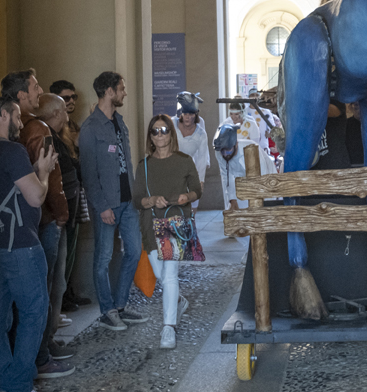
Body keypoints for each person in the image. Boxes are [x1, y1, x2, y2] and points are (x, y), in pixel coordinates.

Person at [0, 96, 61, 392]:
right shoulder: (11, 152)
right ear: (2, 114)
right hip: (20, 246)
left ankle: (3, 386)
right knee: (34, 312)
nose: (22, 123)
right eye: (17, 116)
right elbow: (36, 196)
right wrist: (44, 170)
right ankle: (19, 389)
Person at [0, 70, 72, 379]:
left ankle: (42, 349)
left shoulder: (19, 132)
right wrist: (61, 214)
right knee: (43, 292)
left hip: (25, 223)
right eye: (35, 87)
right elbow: (49, 178)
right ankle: (39, 356)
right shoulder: (37, 129)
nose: (40, 91)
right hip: (43, 221)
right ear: (21, 97)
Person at [78, 71, 146, 331]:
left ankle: (120, 304)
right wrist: (101, 206)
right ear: (109, 91)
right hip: (106, 203)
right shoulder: (90, 128)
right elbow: (88, 173)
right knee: (104, 258)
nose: (124, 93)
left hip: (127, 201)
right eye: (121, 88)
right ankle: (107, 310)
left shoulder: (120, 122)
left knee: (133, 251)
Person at [133, 115, 201, 349]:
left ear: (172, 133)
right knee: (161, 276)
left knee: (170, 276)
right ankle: (178, 301)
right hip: (151, 225)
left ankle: (168, 328)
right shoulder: (144, 165)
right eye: (155, 131)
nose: (160, 134)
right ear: (150, 137)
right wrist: (150, 200)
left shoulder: (184, 160)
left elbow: (197, 190)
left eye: (164, 130)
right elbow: (136, 199)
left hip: (175, 224)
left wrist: (187, 197)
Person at [35, 94, 77, 364]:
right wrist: (61, 213)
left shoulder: (58, 135)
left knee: (57, 277)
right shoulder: (43, 136)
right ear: (54, 113)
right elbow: (49, 180)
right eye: (63, 110)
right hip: (51, 220)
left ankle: (48, 337)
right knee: (50, 279)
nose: (68, 116)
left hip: (59, 217)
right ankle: (44, 343)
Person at [49, 79, 90, 311]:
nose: (71, 102)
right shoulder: (50, 132)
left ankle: (68, 293)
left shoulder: (72, 125)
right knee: (63, 251)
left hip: (76, 192)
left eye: (74, 97)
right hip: (63, 197)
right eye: (66, 98)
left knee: (70, 249)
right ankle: (61, 299)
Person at [172, 91, 210, 192]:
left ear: (196, 114)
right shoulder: (172, 124)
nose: (187, 117)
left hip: (187, 169)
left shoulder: (201, 134)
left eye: (191, 114)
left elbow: (202, 158)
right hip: (169, 167)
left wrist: (200, 180)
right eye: (185, 113)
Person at [214, 125, 251, 209]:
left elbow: (261, 176)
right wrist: (232, 199)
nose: (225, 154)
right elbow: (226, 175)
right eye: (223, 151)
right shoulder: (219, 152)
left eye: (228, 150)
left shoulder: (250, 149)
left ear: (236, 144)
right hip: (238, 188)